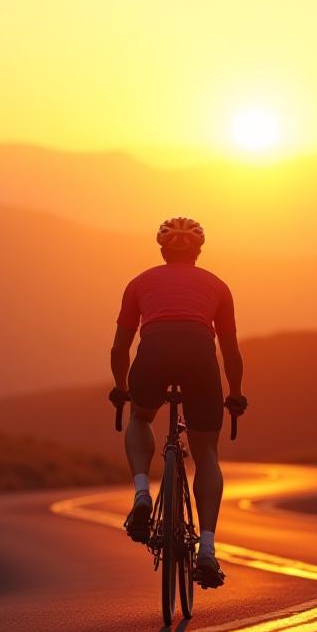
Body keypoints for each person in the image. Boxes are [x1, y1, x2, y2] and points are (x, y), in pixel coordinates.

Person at [108, 217, 246, 589]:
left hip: (153, 354)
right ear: (199, 251)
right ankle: (208, 550)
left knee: (140, 417)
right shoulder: (218, 286)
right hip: (200, 359)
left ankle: (140, 493)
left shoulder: (139, 283)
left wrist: (121, 387)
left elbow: (120, 347)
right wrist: (234, 394)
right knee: (207, 454)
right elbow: (231, 351)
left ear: (162, 250)